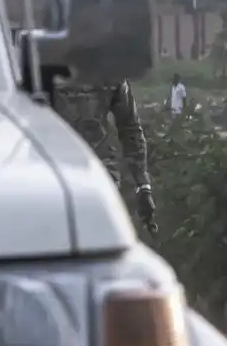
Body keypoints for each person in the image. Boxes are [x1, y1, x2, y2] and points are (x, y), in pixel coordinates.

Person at [53, 80, 159, 236]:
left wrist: (143, 186)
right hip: (63, 171)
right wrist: (142, 185)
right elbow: (130, 128)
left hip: (88, 172)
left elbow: (130, 128)